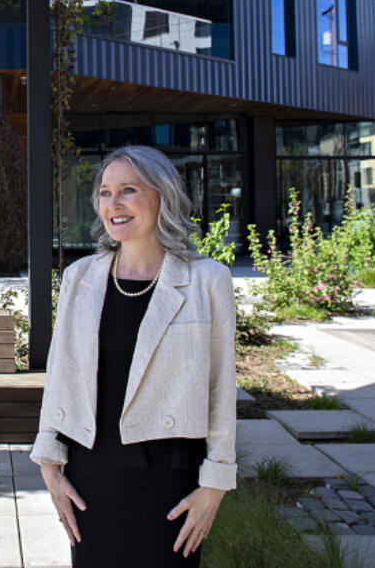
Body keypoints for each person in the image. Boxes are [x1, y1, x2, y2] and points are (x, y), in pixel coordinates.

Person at [30, 145, 236, 567]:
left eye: (128, 190)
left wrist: (215, 484)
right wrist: (50, 465)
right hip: (91, 481)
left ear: (162, 196)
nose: (114, 204)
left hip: (168, 486)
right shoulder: (80, 277)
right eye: (105, 192)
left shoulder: (206, 280)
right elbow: (61, 374)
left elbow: (221, 387)